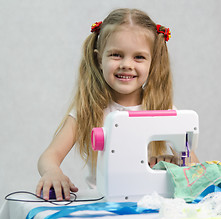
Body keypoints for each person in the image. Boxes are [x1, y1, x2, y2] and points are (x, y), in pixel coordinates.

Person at [36, 8, 198, 201]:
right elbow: (49, 156)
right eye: (116, 55)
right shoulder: (88, 109)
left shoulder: (164, 111)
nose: (127, 64)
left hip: (152, 204)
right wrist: (52, 172)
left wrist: (176, 163)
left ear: (152, 63)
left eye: (139, 57)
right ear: (99, 59)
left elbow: (195, 168)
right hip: (104, 204)